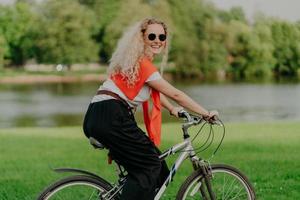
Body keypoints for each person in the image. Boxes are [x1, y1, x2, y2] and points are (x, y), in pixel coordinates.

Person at [83, 18, 218, 200]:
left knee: (159, 168)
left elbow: (154, 91)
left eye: (161, 36)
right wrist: (206, 113)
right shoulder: (143, 64)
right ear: (142, 38)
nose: (157, 40)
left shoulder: (133, 63)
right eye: (152, 35)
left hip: (98, 115)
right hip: (113, 117)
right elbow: (176, 94)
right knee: (149, 166)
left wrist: (171, 109)